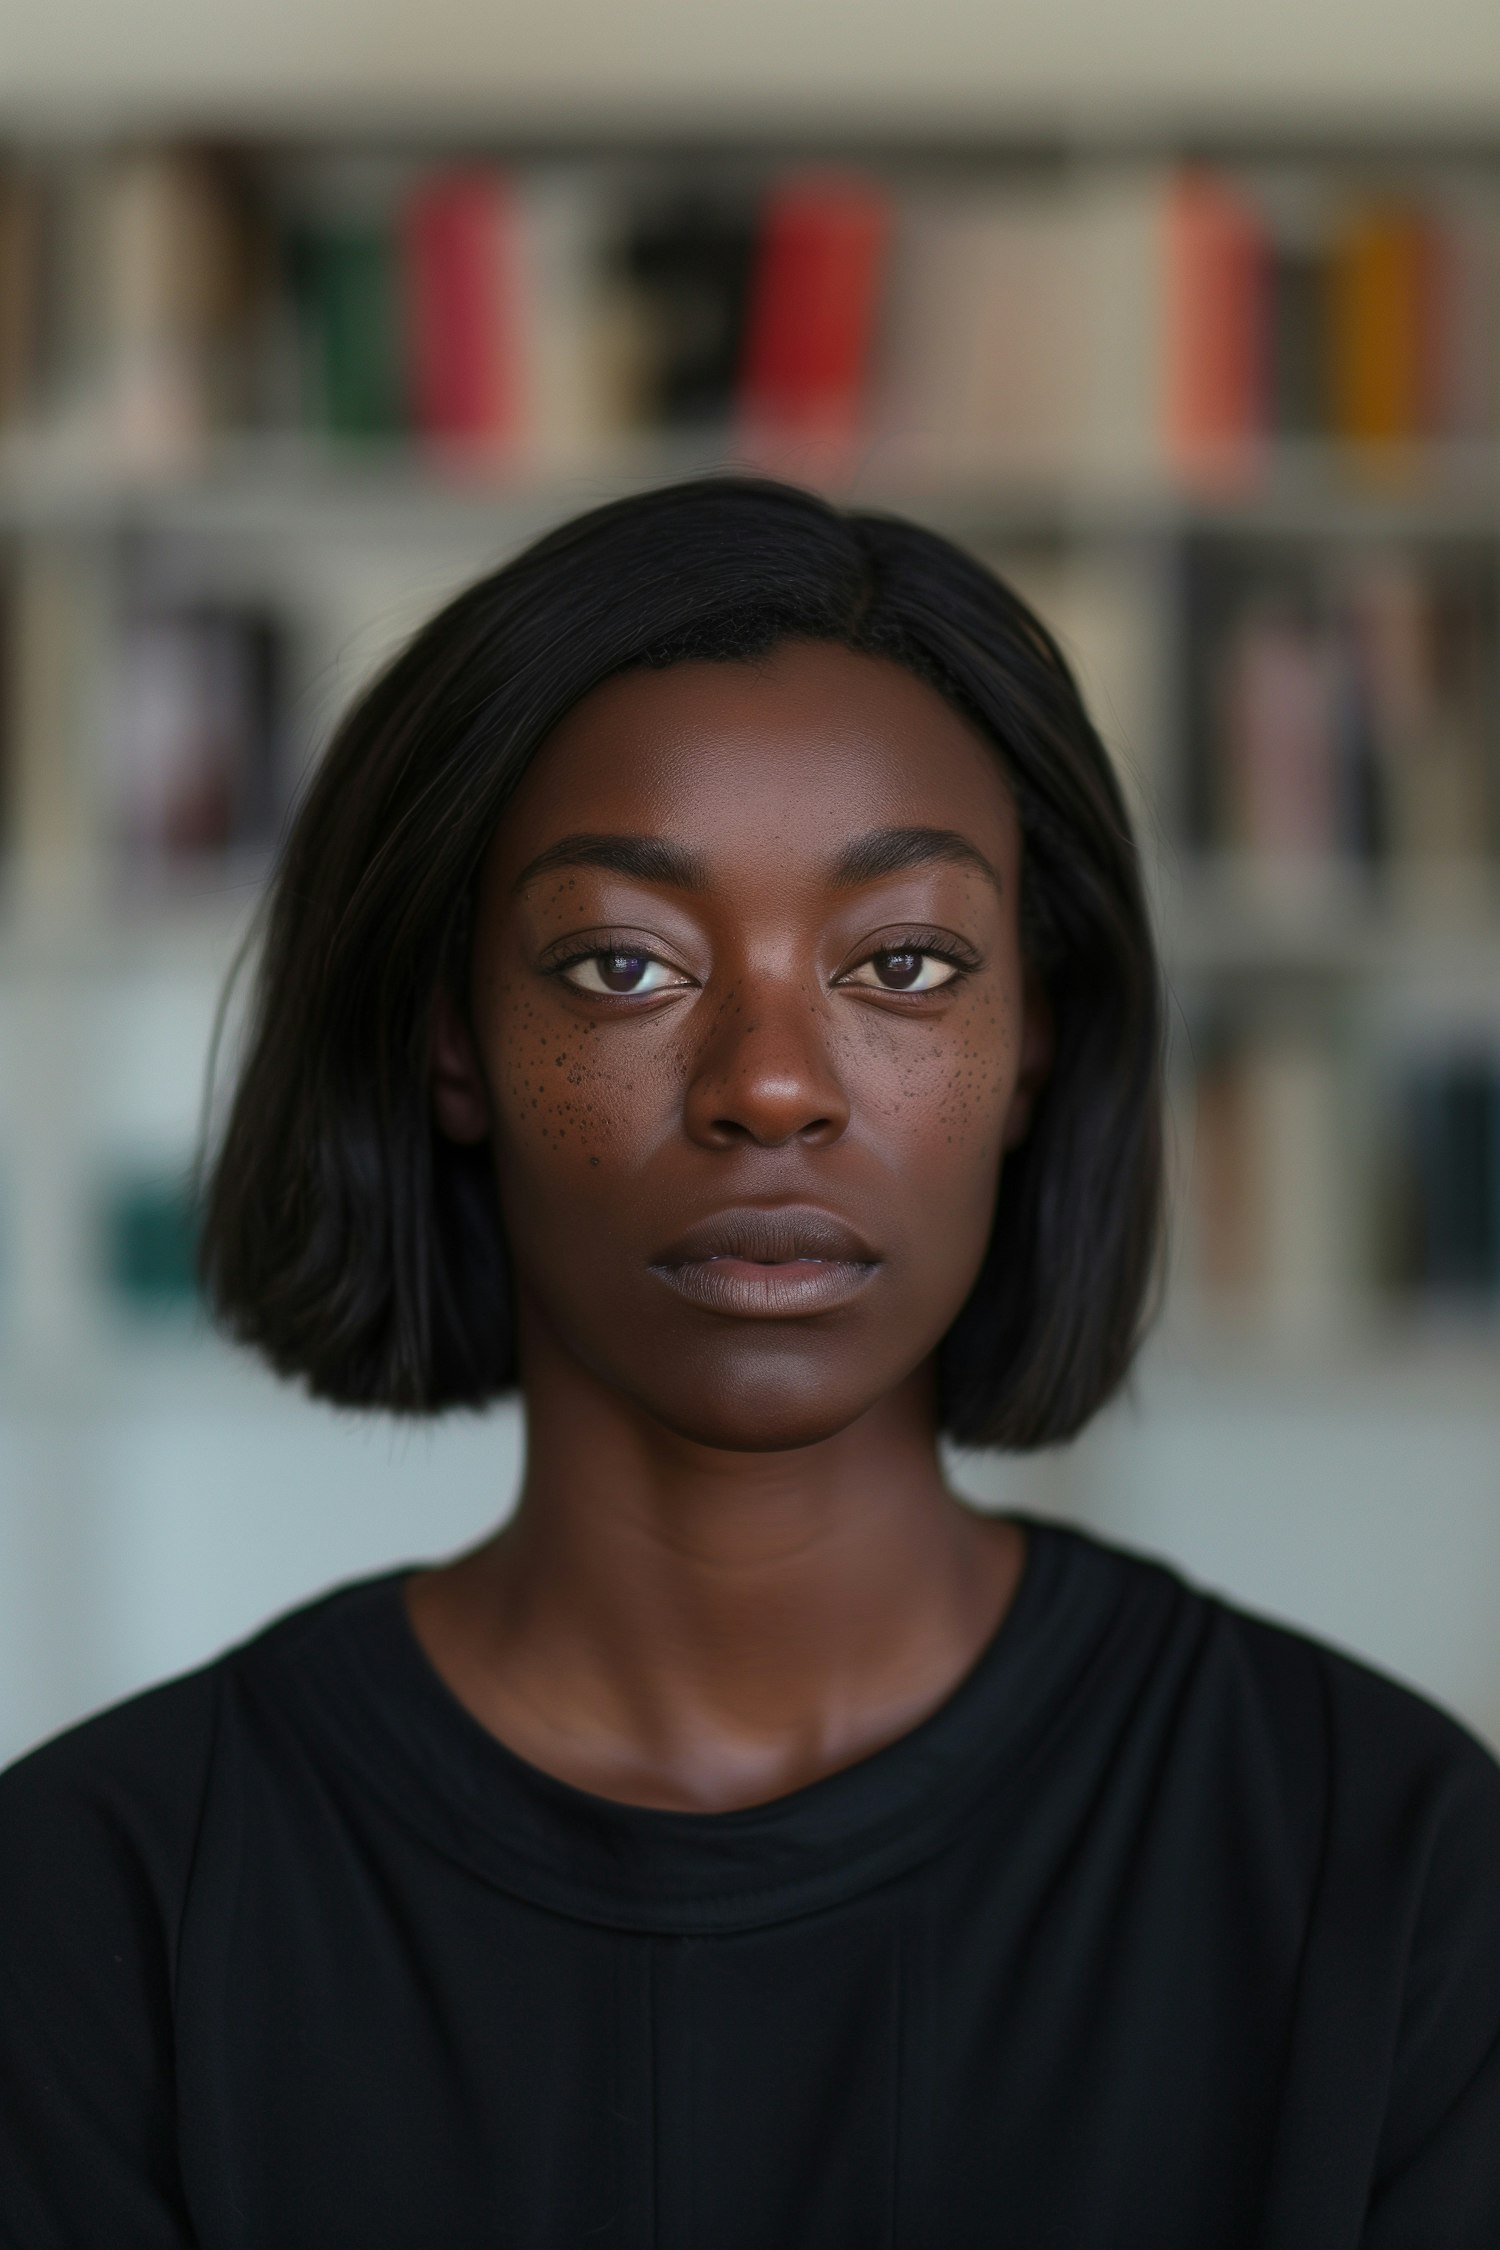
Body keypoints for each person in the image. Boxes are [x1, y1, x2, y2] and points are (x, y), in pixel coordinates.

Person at [2, 478, 1497, 2250]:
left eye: (909, 961)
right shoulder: (97, 1905)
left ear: (1033, 1048)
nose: (772, 1083)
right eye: (624, 962)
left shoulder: (1387, 1866)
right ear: (454, 1043)